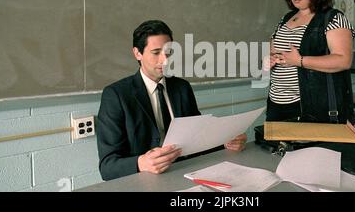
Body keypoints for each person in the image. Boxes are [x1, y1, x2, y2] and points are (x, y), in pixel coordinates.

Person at [96, 20, 247, 181]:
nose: (165, 61)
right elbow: (107, 167)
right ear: (137, 53)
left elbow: (198, 138)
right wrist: (141, 163)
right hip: (144, 182)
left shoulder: (182, 88)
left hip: (187, 173)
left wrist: (225, 141)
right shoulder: (116, 95)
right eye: (156, 53)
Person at [265, 0, 354, 123]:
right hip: (276, 104)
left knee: (308, 149)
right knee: (277, 148)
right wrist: (270, 58)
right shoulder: (285, 19)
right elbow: (274, 51)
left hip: (311, 107)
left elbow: (344, 60)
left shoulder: (333, 18)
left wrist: (299, 60)